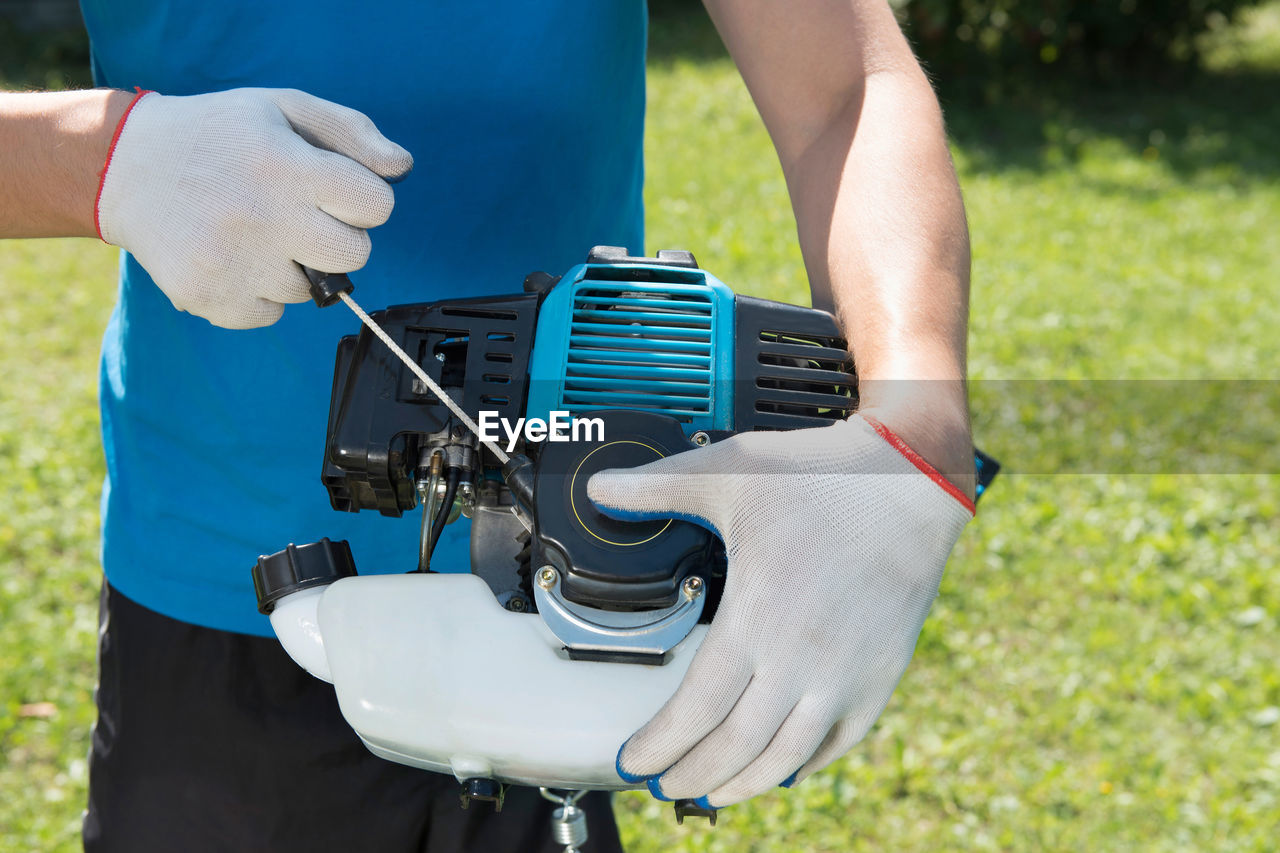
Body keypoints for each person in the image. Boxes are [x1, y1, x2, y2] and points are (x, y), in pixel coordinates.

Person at [0, 1, 978, 850]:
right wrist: (104, 161)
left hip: (582, 594)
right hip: (225, 605)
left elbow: (845, 91)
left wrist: (910, 424)